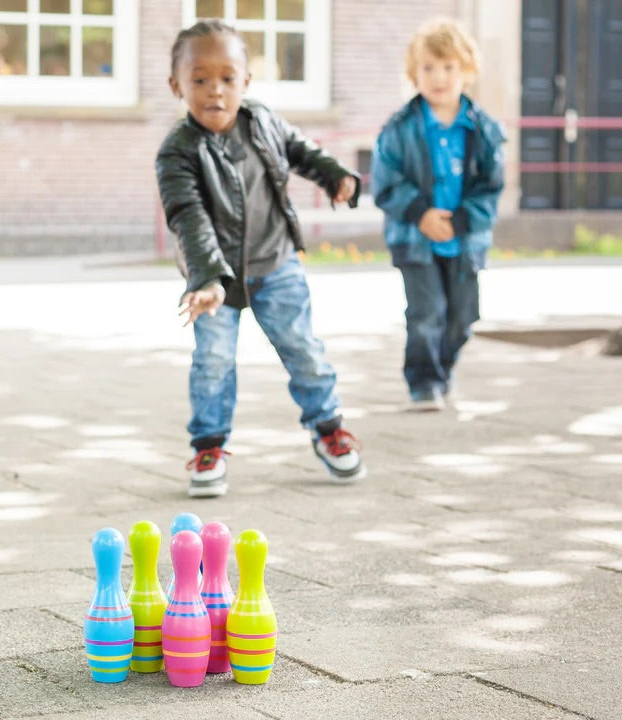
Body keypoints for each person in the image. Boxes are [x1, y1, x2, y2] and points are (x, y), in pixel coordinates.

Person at [155, 19, 366, 498]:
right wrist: (208, 279)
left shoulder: (263, 120)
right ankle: (208, 446)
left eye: (228, 78)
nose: (215, 91)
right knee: (213, 361)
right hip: (215, 280)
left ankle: (329, 429)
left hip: (277, 263)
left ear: (246, 82)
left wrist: (335, 175)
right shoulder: (177, 152)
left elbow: (300, 150)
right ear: (177, 85)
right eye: (200, 79)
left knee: (303, 349)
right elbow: (188, 216)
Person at [371, 17, 506, 411]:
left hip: (465, 237)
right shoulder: (398, 129)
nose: (439, 77)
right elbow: (386, 181)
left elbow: (491, 186)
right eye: (428, 68)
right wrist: (421, 213)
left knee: (463, 316)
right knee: (426, 311)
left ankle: (444, 370)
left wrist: (461, 220)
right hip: (416, 237)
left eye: (449, 67)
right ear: (414, 74)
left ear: (467, 72)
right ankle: (424, 382)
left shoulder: (484, 131)